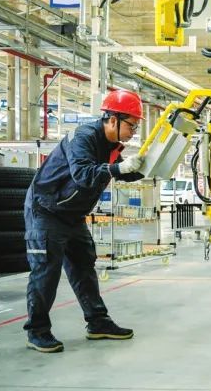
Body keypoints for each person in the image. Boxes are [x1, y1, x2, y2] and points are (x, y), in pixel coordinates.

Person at [23, 89, 147, 353]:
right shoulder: (84, 137)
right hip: (46, 209)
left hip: (72, 214)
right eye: (132, 125)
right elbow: (82, 174)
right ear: (112, 120)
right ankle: (37, 331)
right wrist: (118, 168)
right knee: (46, 270)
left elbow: (119, 173)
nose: (134, 131)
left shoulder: (111, 145)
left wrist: (148, 167)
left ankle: (98, 322)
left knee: (83, 265)